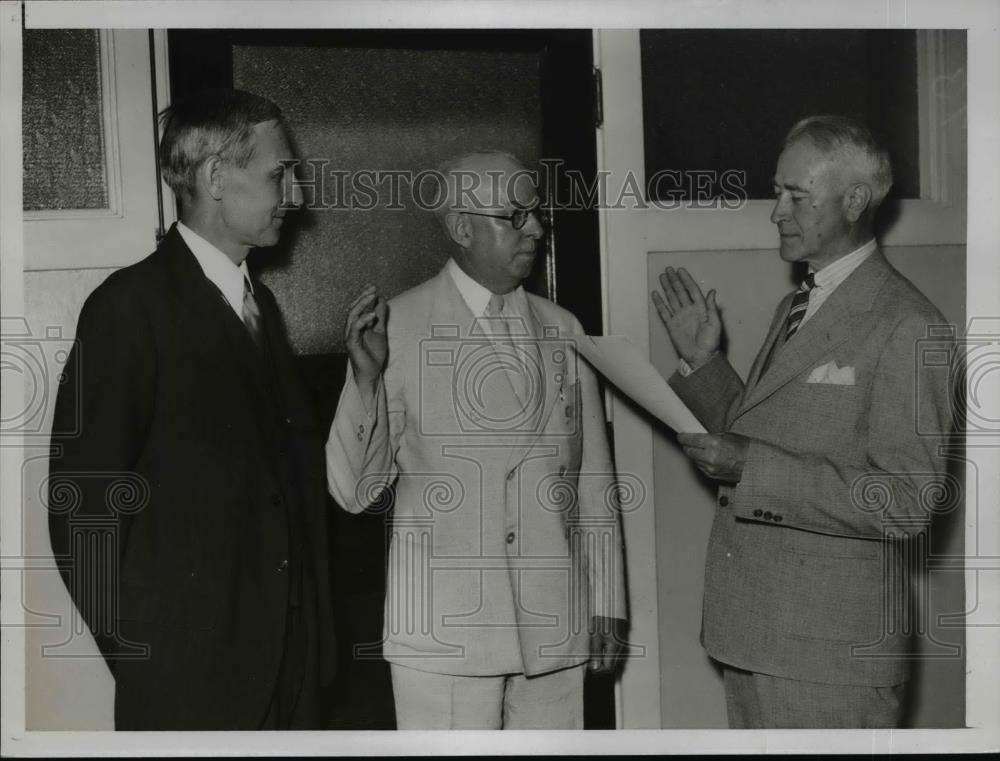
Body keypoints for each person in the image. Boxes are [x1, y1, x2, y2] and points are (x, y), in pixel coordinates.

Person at [47, 89, 336, 730]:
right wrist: (150, 658)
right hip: (192, 690)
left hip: (289, 682)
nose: (295, 195)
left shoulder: (263, 309)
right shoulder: (128, 309)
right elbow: (81, 512)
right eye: (277, 173)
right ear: (213, 178)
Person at [651, 115, 953, 728]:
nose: (776, 211)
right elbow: (761, 428)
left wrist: (752, 469)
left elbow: (907, 501)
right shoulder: (800, 304)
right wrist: (705, 362)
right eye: (776, 191)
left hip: (831, 659)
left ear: (854, 200)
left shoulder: (907, 323)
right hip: (756, 636)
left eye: (795, 194)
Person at [325, 151, 627, 729]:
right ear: (463, 228)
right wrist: (365, 379)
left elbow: (594, 482)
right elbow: (355, 492)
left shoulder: (562, 328)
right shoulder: (398, 328)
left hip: (553, 625)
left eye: (536, 213)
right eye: (514, 216)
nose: (536, 228)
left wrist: (607, 603)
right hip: (446, 636)